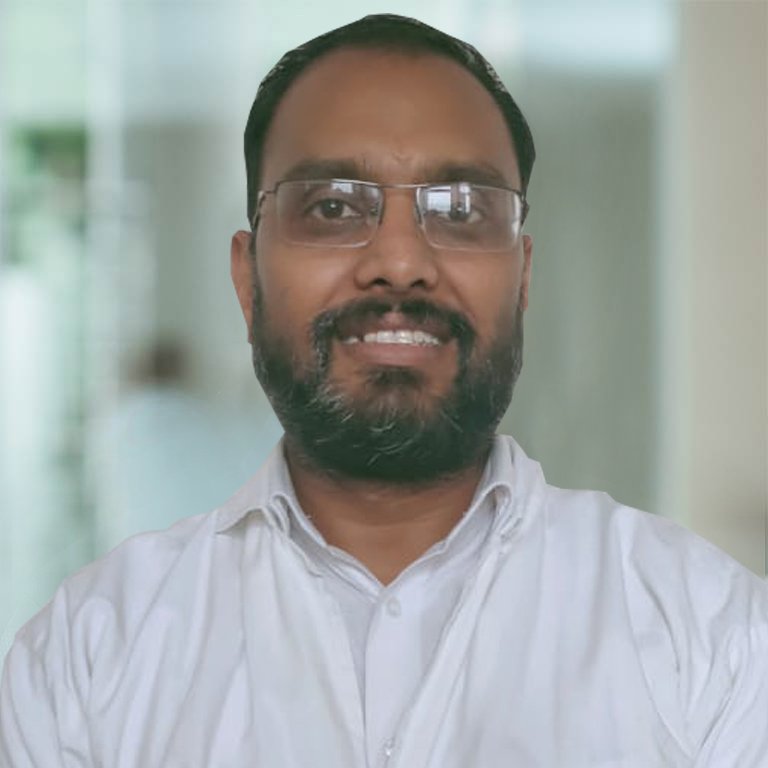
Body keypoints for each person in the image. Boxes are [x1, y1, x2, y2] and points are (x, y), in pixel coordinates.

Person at [1, 14, 766, 768]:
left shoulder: (709, 636)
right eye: (333, 207)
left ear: (523, 277)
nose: (400, 264)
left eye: (460, 210)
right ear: (246, 276)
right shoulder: (85, 661)